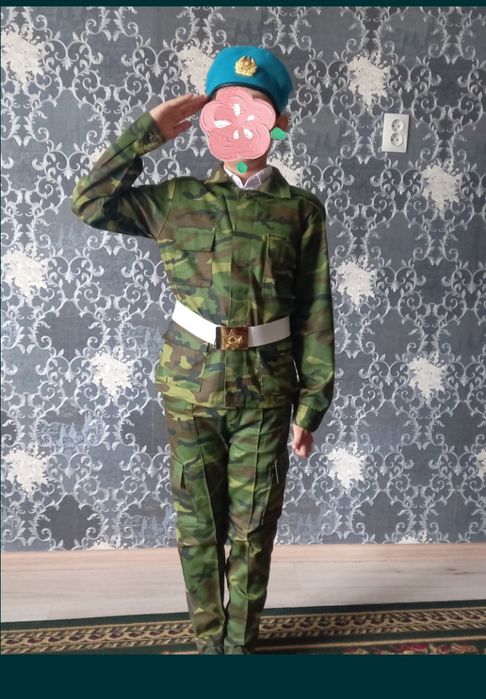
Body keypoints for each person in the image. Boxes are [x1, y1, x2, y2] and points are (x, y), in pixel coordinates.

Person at [71, 45, 334, 654]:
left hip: (267, 389)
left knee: (253, 526)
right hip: (191, 387)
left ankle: (237, 650)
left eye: (255, 104)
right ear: (210, 119)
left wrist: (313, 401)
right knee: (198, 525)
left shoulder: (300, 211)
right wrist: (147, 132)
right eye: (226, 105)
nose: (239, 118)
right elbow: (90, 202)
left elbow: (315, 309)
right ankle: (207, 645)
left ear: (279, 122)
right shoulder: (177, 200)